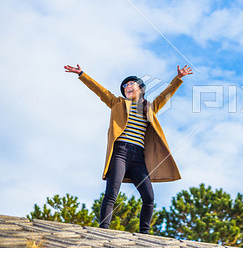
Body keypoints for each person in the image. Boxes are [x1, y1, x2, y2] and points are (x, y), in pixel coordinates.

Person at [64, 63, 193, 234]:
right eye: (125, 86)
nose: (127, 87)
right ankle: (103, 230)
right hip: (120, 153)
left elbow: (165, 95)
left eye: (131, 84)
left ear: (141, 88)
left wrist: (178, 78)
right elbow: (100, 90)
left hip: (139, 158)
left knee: (149, 197)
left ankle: (144, 234)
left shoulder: (149, 108)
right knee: (111, 193)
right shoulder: (117, 103)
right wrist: (81, 74)